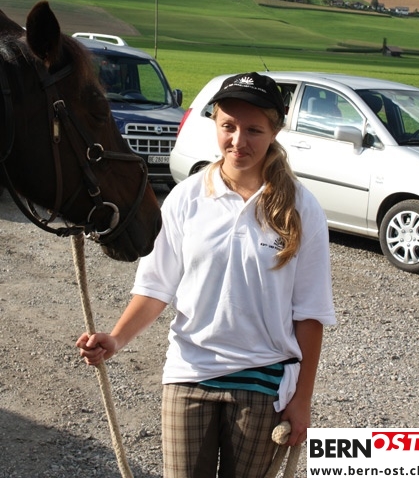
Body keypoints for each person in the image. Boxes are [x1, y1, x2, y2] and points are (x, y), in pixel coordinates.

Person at [77, 72, 336, 478]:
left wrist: (301, 400)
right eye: (228, 126)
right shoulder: (186, 197)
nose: (238, 141)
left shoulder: (302, 209)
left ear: (275, 131)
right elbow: (155, 287)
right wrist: (116, 338)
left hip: (264, 386)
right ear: (214, 123)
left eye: (254, 130)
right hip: (189, 376)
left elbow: (310, 313)